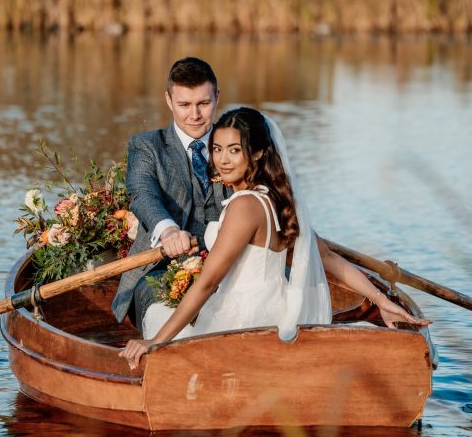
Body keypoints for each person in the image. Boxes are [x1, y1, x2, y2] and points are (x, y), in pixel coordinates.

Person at [119, 108, 431, 368]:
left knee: (158, 316)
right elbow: (331, 260)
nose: (223, 160)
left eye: (234, 150)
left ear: (256, 153)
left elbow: (209, 282)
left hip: (242, 318)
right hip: (277, 309)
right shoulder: (278, 200)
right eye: (217, 149)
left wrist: (156, 341)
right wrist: (380, 300)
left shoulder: (244, 206)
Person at [111, 57, 228, 330]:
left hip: (229, 268)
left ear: (217, 97)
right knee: (171, 324)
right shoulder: (147, 146)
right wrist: (168, 231)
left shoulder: (235, 145)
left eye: (203, 103)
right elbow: (142, 193)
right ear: (168, 100)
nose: (194, 115)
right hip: (159, 270)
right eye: (184, 105)